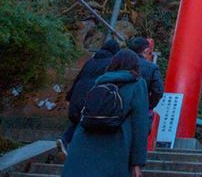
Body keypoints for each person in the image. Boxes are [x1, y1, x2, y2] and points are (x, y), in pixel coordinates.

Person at [62, 49, 149, 177]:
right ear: (135, 65)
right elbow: (140, 125)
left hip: (83, 144)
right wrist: (137, 163)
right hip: (116, 145)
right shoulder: (137, 84)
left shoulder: (100, 82)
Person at [57, 39, 120, 157]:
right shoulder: (111, 62)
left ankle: (66, 140)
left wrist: (69, 97)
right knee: (89, 120)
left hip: (77, 93)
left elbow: (78, 78)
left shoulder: (90, 62)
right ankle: (69, 142)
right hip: (93, 95)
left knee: (80, 120)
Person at [128, 37, 164, 110]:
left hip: (116, 107)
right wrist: (148, 105)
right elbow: (158, 91)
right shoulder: (152, 68)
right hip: (139, 107)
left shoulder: (118, 62)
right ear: (146, 50)